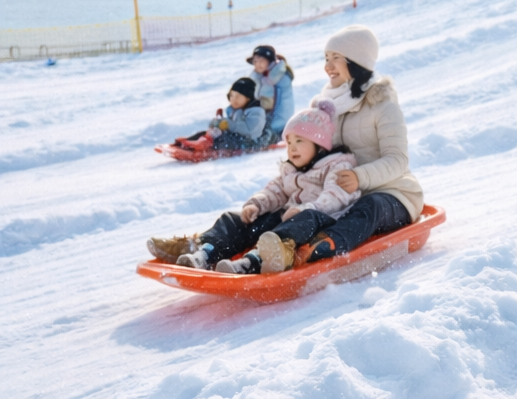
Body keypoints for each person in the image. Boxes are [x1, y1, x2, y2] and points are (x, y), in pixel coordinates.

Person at [148, 100, 360, 273]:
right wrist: (256, 205)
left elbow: (335, 197)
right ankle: (206, 253)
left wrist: (306, 209)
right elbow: (275, 190)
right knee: (236, 219)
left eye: (300, 142)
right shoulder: (291, 168)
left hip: (320, 221)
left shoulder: (338, 165)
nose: (292, 149)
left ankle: (251, 262)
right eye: (289, 142)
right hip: (289, 217)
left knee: (294, 222)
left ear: (319, 144)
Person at [299, 25, 425, 263]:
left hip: (394, 194)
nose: (327, 66)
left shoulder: (384, 106)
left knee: (370, 206)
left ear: (356, 62)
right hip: (344, 194)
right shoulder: (327, 107)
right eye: (326, 58)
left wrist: (359, 177)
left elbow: (398, 160)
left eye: (336, 58)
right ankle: (271, 247)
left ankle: (320, 247)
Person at [172, 77, 267, 154]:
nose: (233, 99)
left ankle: (201, 145)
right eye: (231, 96)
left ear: (248, 98)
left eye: (238, 96)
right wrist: (219, 123)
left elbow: (250, 131)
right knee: (211, 132)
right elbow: (232, 124)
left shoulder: (256, 112)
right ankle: (189, 141)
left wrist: (228, 125)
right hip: (238, 137)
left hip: (250, 142)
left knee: (223, 138)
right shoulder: (235, 109)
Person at [248, 44, 295, 146]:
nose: (257, 64)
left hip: (278, 123)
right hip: (268, 116)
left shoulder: (277, 78)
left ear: (269, 61)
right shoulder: (263, 76)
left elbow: (269, 105)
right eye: (255, 61)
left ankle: (253, 142)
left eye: (261, 61)